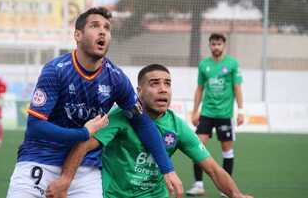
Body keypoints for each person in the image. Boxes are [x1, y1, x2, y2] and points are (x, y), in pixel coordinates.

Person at [6, 7, 181, 198]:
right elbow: (35, 126)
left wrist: (167, 168)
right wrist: (83, 133)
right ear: (78, 35)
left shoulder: (116, 78)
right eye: (95, 26)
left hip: (85, 170)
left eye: (107, 28)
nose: (102, 31)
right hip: (40, 160)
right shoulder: (56, 70)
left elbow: (143, 123)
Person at [45, 64, 253, 198]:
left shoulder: (177, 126)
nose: (163, 89)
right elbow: (82, 145)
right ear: (139, 91)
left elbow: (213, 169)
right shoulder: (120, 117)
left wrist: (236, 194)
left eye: (167, 84)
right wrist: (65, 180)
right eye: (155, 84)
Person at [186, 33, 245, 197]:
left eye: (218, 44)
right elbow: (199, 89)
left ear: (224, 45)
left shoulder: (232, 64)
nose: (216, 47)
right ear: (209, 45)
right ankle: (198, 185)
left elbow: (237, 88)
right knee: (197, 146)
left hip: (225, 114)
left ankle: (226, 189)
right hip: (207, 113)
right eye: (213, 44)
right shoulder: (204, 64)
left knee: (227, 150)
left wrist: (241, 111)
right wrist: (195, 110)